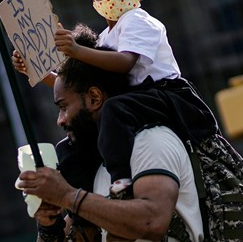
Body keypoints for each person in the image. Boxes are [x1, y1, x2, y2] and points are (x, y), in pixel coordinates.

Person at [12, 0, 218, 198]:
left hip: (163, 97)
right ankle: (76, 205)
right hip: (130, 102)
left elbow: (124, 64)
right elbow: (82, 89)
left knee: (112, 110)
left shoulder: (137, 21)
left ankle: (121, 178)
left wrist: (75, 51)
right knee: (72, 143)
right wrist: (39, 71)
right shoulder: (107, 36)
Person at [16, 24, 205, 241]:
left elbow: (152, 222)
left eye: (63, 107)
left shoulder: (150, 141)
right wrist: (48, 223)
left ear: (94, 98)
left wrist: (67, 196)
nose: (60, 120)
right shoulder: (97, 168)